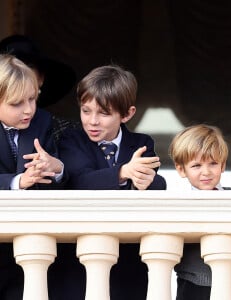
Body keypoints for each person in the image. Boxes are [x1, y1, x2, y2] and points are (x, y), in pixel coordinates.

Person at [58, 64, 166, 299]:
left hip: (128, 264)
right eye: (86, 111)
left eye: (104, 113)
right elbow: (77, 182)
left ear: (127, 114)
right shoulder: (70, 140)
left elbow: (157, 188)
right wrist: (123, 172)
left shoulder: (141, 143)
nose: (92, 121)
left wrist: (149, 181)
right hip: (78, 262)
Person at [0, 53, 70, 298]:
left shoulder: (44, 122)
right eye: (16, 103)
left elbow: (63, 184)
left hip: (32, 246)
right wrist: (17, 182)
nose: (28, 109)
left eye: (32, 99)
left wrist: (56, 167)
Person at [169, 124, 231, 300]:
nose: (206, 172)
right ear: (181, 169)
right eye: (196, 165)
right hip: (193, 283)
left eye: (213, 163)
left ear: (223, 165)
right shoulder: (180, 204)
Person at [0, 34, 78, 142]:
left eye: (26, 67)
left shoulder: (64, 132)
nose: (20, 73)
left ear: (41, 78)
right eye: (10, 70)